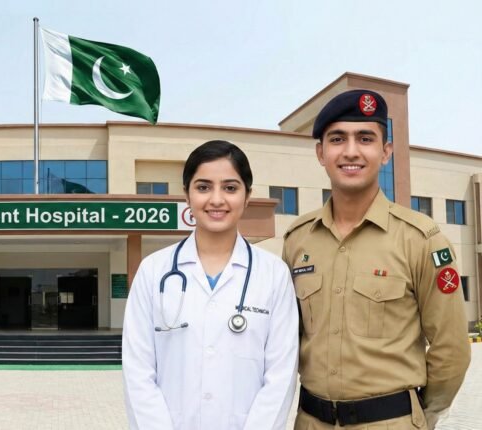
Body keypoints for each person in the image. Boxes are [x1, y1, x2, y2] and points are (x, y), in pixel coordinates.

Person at [282, 89, 471, 429]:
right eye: (337, 138)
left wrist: (417, 417)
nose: (351, 151)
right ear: (320, 153)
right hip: (311, 421)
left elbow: (451, 350)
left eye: (365, 138)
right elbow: (287, 340)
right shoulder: (298, 240)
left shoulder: (420, 239)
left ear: (385, 153)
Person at [123, 140, 299, 430]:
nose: (216, 200)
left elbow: (280, 377)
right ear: (187, 196)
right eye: (203, 187)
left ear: (247, 196)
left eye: (230, 188)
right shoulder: (153, 271)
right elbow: (138, 372)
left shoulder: (274, 275)